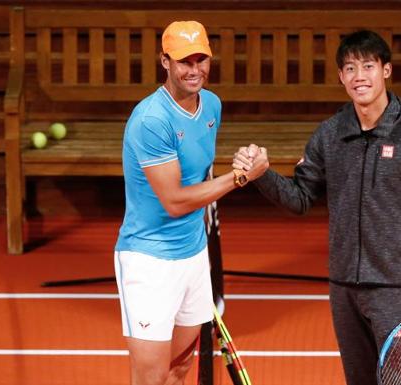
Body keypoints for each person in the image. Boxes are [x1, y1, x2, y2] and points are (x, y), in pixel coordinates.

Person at [233, 30, 401, 385]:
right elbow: (300, 198)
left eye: (368, 66)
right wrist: (263, 176)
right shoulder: (330, 135)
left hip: (393, 286)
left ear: (386, 70)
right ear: (341, 77)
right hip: (344, 287)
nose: (360, 76)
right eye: (350, 68)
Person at [114, 20, 250, 385]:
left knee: (181, 367)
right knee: (152, 377)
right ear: (165, 62)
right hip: (149, 261)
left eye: (200, 60)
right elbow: (174, 201)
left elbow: (201, 174)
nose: (194, 70)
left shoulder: (212, 107)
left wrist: (242, 163)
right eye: (184, 62)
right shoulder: (150, 120)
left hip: (193, 255)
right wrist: (239, 177)